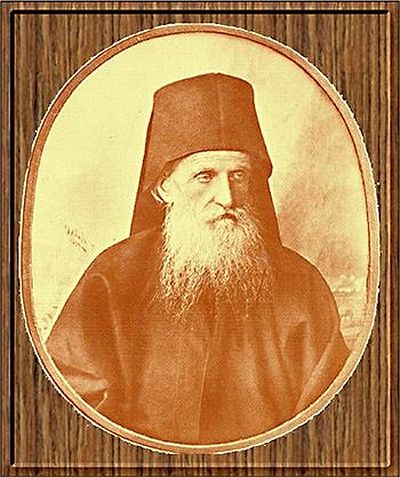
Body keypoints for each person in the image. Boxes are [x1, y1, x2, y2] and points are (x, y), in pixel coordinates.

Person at [46, 73, 350, 444]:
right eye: (204, 176)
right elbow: (71, 407)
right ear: (165, 187)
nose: (227, 196)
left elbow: (330, 414)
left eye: (238, 175)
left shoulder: (301, 284)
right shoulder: (111, 278)